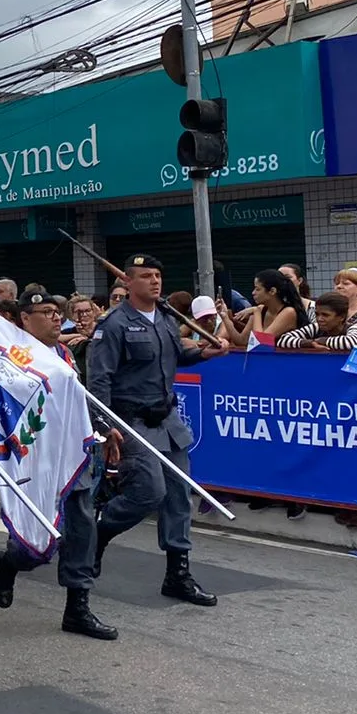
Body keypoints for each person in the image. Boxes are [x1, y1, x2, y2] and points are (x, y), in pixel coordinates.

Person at [89, 254, 228, 605]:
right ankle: (100, 532)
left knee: (179, 494)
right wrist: (105, 427)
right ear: (127, 282)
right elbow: (99, 379)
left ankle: (177, 573)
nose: (155, 281)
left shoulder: (166, 318)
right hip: (131, 421)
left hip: (167, 420)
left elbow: (177, 357)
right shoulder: (114, 325)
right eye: (146, 276)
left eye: (157, 275)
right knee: (149, 493)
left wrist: (206, 354)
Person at [0, 292, 120, 639]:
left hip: (71, 458)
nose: (56, 318)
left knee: (81, 528)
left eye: (56, 312)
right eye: (45, 313)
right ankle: (10, 562)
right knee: (36, 541)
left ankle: (78, 607)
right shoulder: (12, 358)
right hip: (33, 460)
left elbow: (78, 401)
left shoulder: (63, 354)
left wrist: (103, 428)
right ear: (24, 319)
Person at [278, 292, 357, 352]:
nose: (319, 319)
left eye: (325, 315)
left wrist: (322, 340)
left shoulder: (355, 327)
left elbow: (349, 343)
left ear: (341, 317)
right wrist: (310, 343)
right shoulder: (316, 327)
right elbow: (283, 340)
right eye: (317, 314)